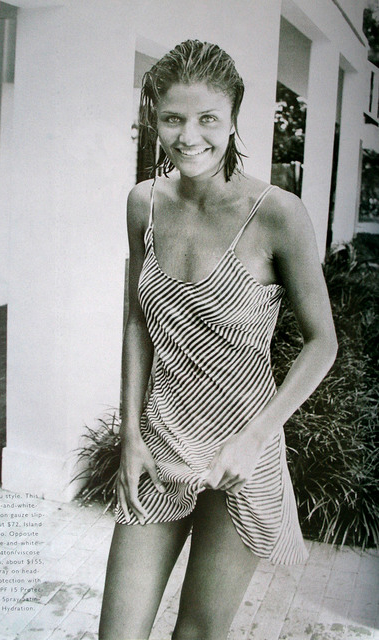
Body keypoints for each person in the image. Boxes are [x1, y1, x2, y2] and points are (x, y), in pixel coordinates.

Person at [99, 40, 337, 640]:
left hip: (243, 458)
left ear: (233, 117)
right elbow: (137, 321)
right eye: (172, 118)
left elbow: (322, 342)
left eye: (207, 118)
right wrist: (130, 437)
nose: (189, 136)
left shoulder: (278, 213)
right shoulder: (143, 204)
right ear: (154, 118)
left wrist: (254, 440)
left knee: (197, 635)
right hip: (159, 447)